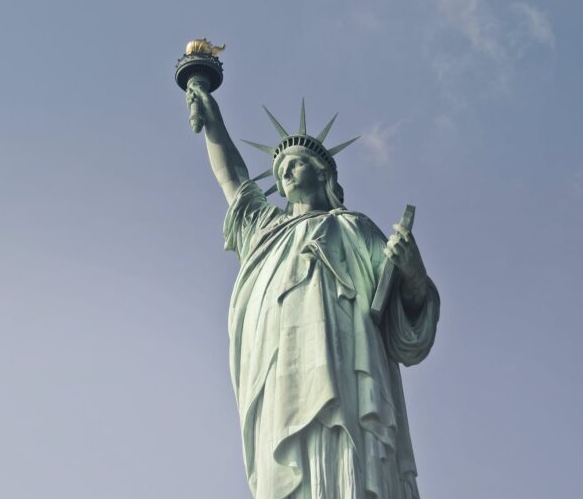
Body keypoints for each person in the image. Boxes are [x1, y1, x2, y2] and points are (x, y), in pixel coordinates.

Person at [184, 81, 440, 499]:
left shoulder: (354, 228)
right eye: (281, 166)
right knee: (286, 450)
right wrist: (214, 122)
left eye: (296, 162)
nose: (285, 170)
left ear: (322, 173)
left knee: (349, 450)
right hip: (280, 364)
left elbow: (405, 318)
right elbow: (233, 179)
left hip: (349, 364)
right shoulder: (265, 231)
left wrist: (411, 271)